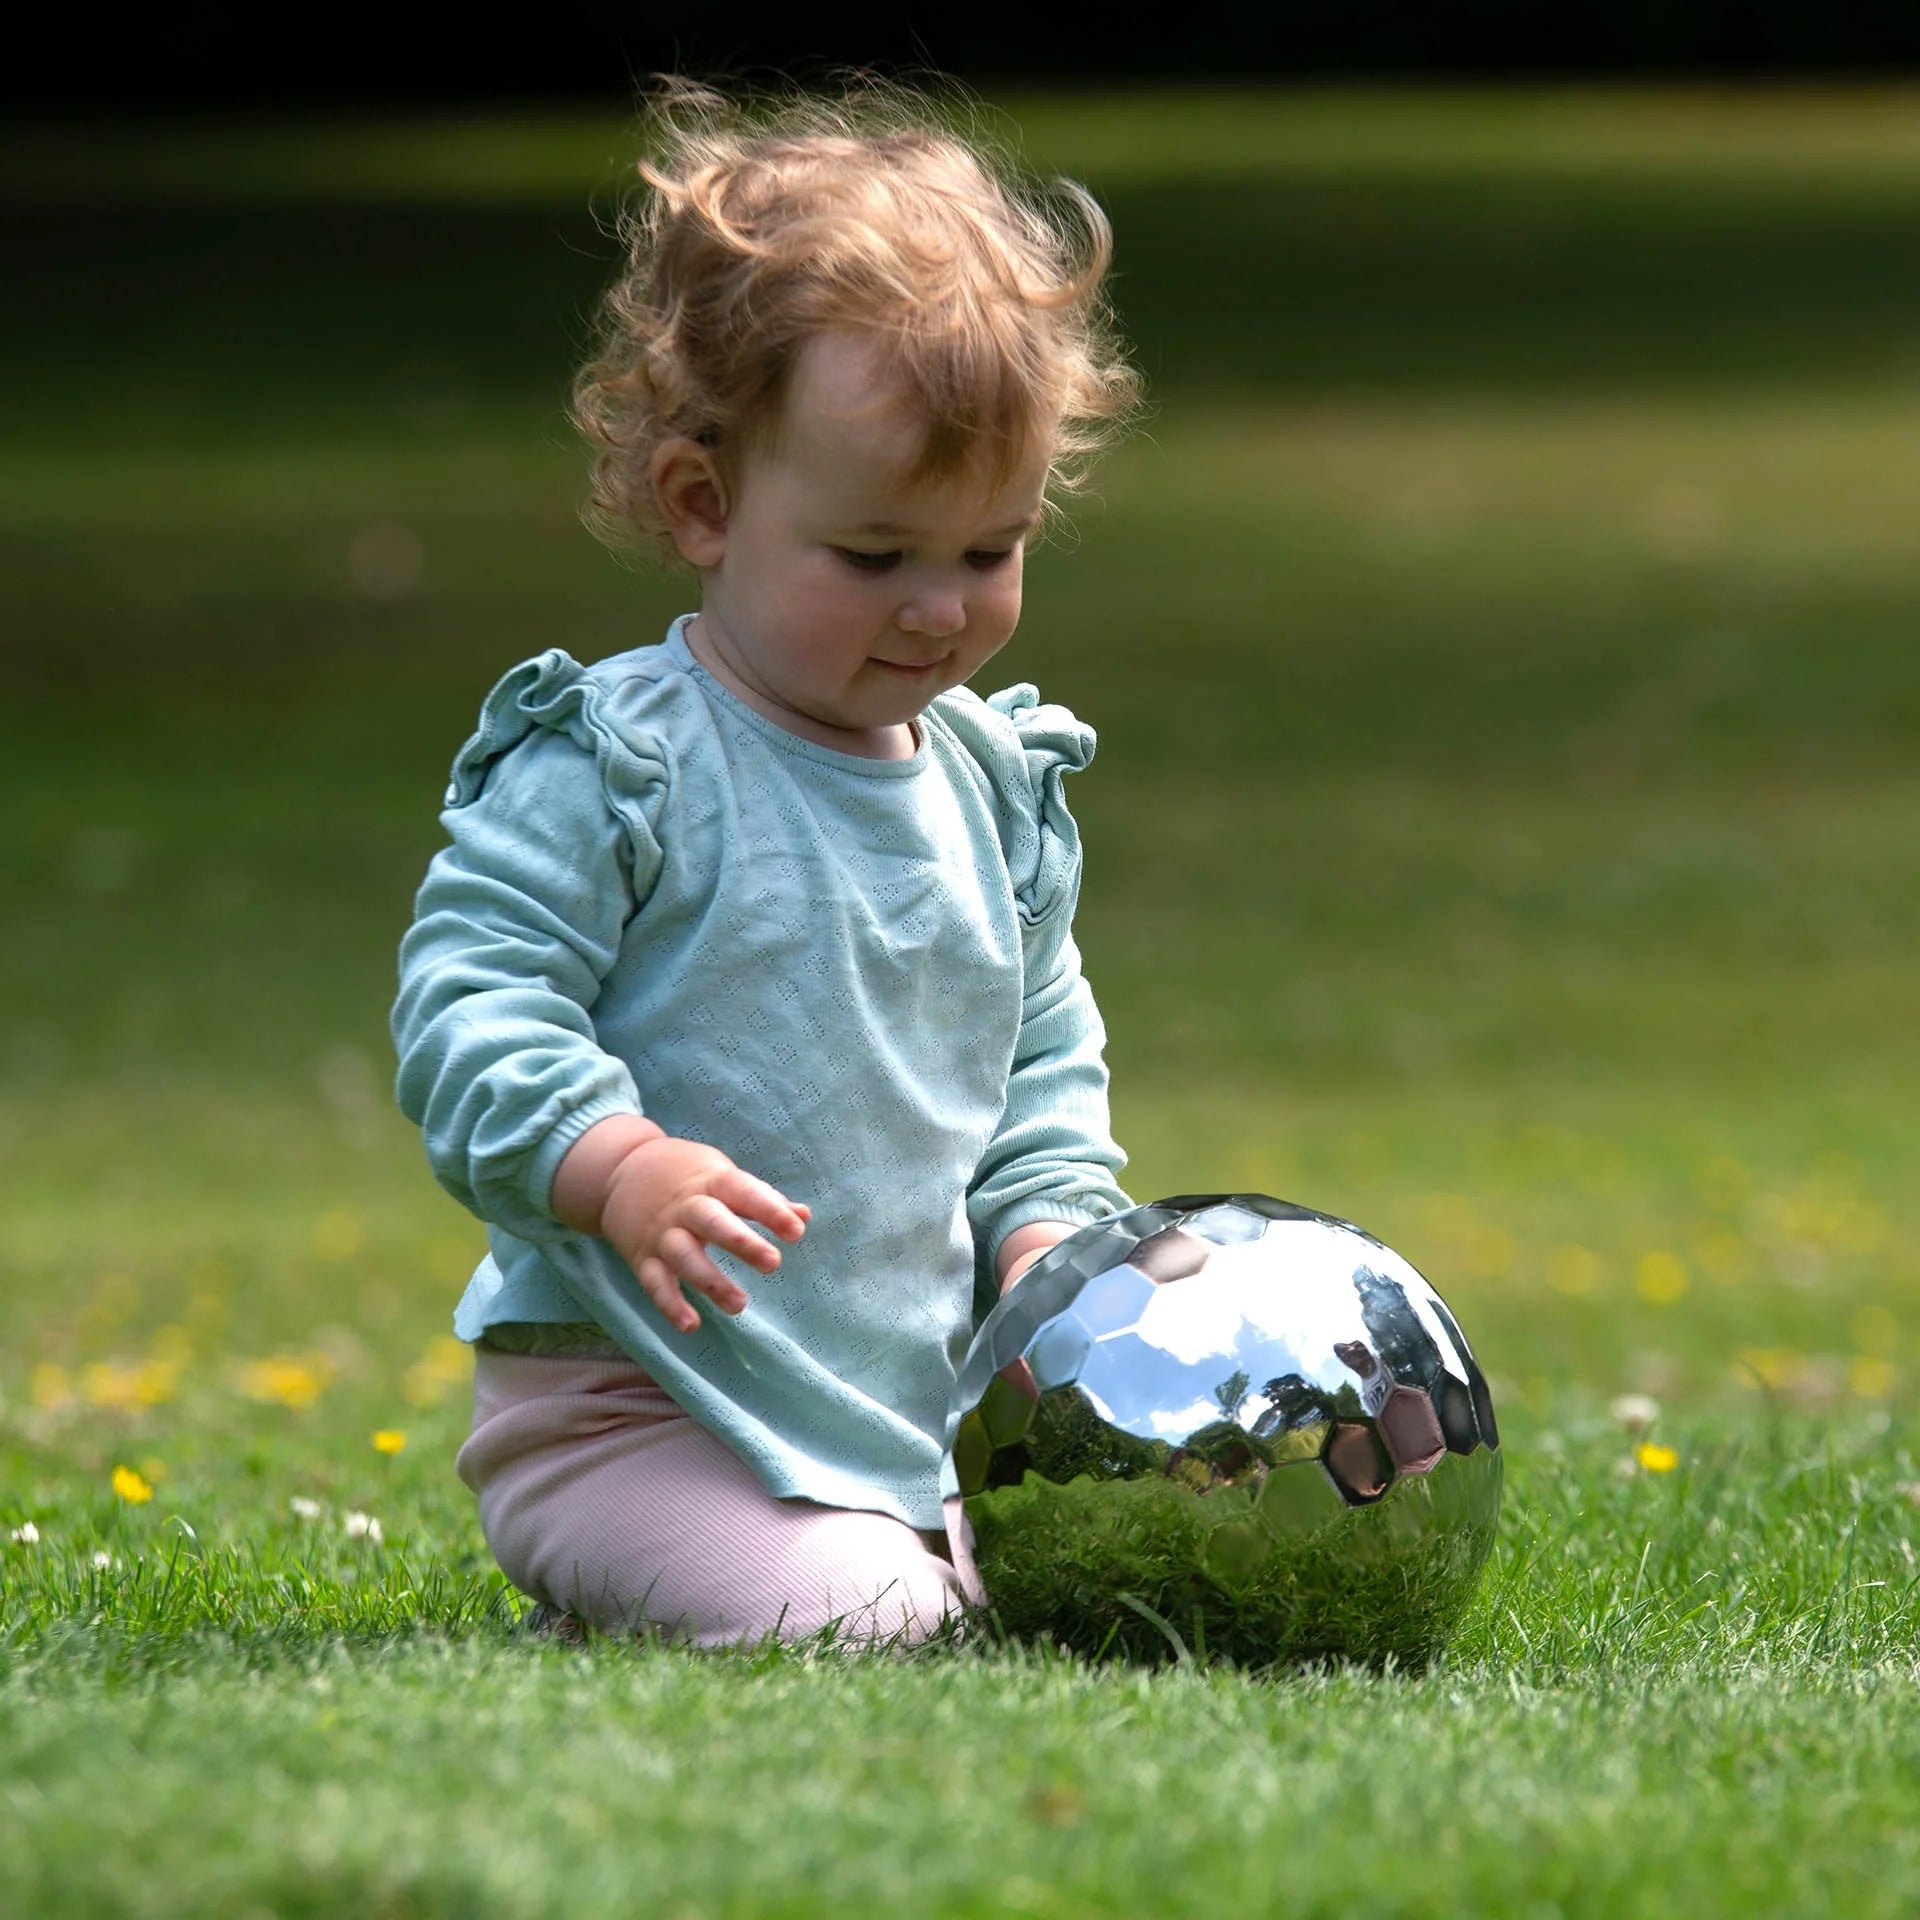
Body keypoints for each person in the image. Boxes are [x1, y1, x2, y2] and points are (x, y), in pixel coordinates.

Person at [392, 78, 1141, 1648]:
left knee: (1098, 1589)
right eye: (876, 557)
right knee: (875, 1627)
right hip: (628, 1415)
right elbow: (469, 1008)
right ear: (704, 504)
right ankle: (655, 1576)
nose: (939, 610)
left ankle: (788, 1572)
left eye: (988, 551)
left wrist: (1054, 1231)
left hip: (899, 1417)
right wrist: (614, 1164)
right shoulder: (621, 764)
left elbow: (1040, 1070)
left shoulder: (994, 789)